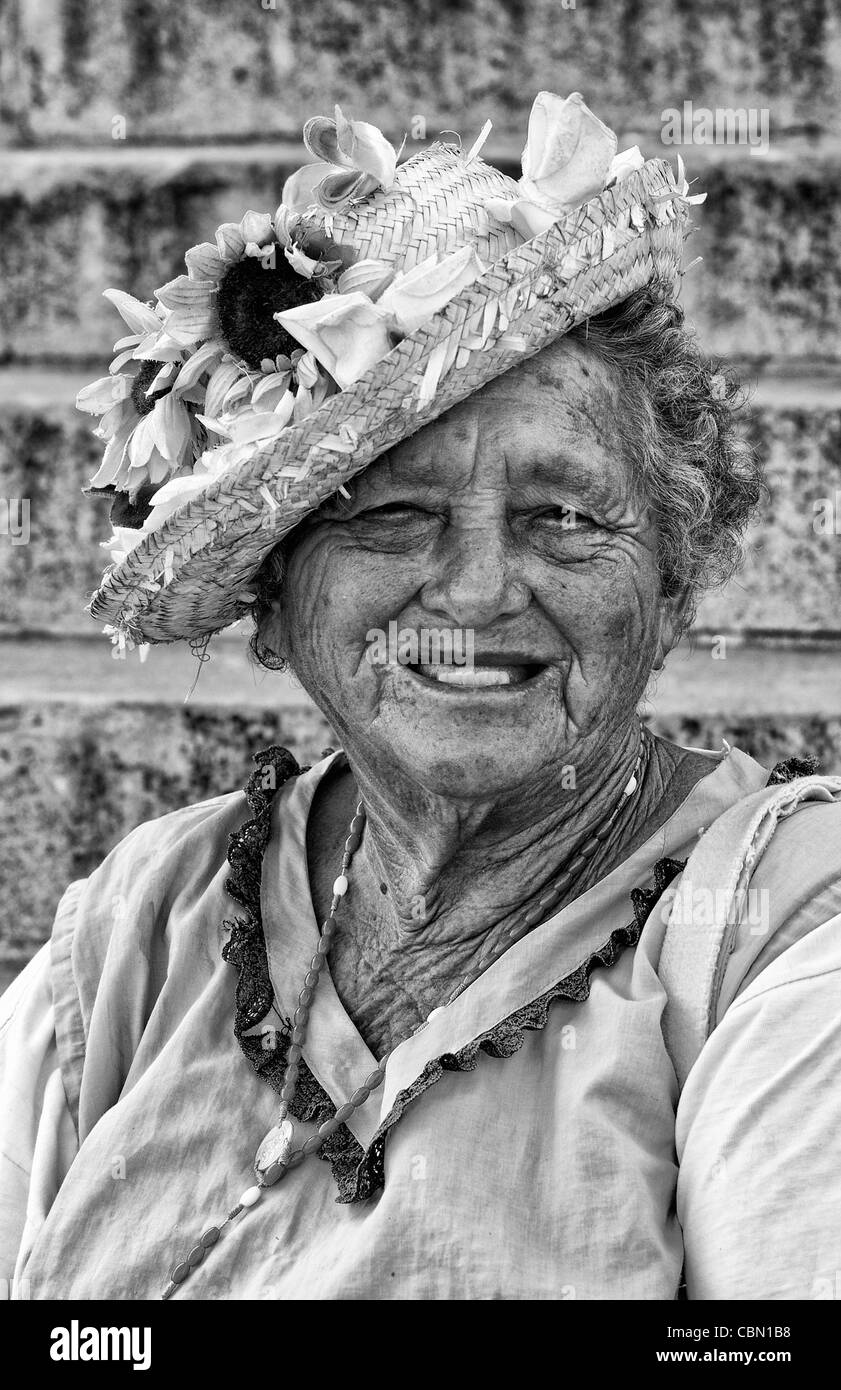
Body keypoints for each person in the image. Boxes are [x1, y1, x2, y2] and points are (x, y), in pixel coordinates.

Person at [2, 92, 840, 1301]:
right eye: (393, 515)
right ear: (280, 610)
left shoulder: (776, 930)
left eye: (564, 515)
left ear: (671, 580)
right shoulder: (148, 920)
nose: (483, 589)